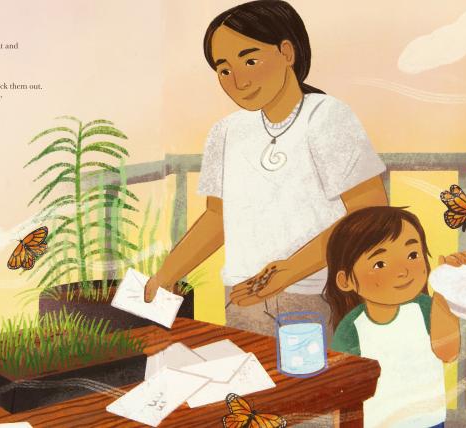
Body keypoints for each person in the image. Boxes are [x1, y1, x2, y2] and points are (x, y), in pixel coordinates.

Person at [143, 0, 387, 339]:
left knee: (315, 386)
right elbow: (217, 217)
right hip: (243, 296)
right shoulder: (226, 131)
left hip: (318, 293)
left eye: (250, 60)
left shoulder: (327, 117)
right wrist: (166, 275)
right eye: (223, 69)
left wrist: (288, 271)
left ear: (287, 52)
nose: (237, 80)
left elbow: (370, 210)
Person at [324, 206, 466, 428]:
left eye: (412, 255)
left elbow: (448, 351)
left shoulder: (424, 307)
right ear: (346, 281)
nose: (403, 270)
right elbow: (343, 393)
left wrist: (444, 287)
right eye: (380, 264)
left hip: (429, 422)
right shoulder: (352, 327)